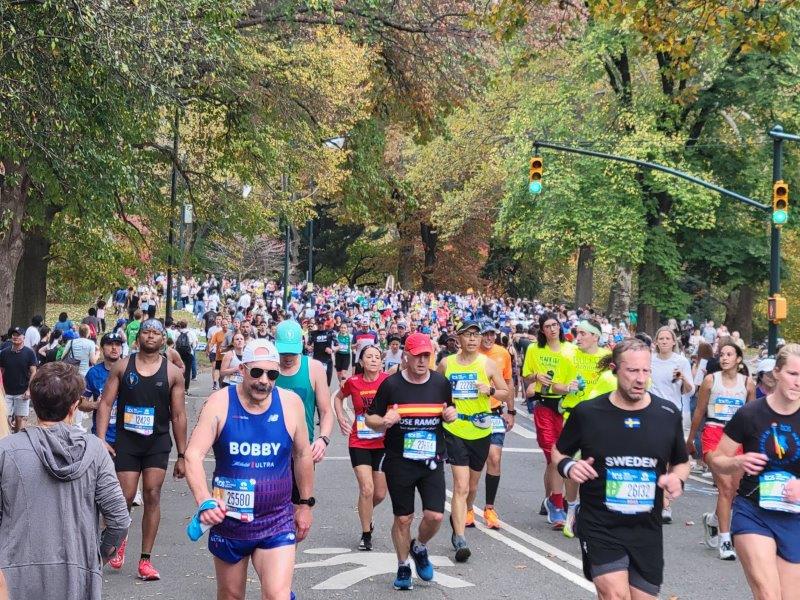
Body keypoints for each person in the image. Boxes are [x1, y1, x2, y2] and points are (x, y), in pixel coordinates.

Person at [553, 338, 690, 600]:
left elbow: (681, 462)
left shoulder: (666, 414)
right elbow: (558, 451)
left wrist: (677, 480)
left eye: (645, 371)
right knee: (616, 595)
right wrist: (569, 466)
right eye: (632, 371)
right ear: (615, 369)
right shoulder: (588, 412)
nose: (640, 379)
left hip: (646, 528)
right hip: (600, 524)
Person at [184, 340, 314, 600]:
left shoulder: (290, 404)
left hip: (276, 518)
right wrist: (204, 501)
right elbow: (193, 455)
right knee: (231, 595)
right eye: (257, 372)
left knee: (278, 595)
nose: (264, 380)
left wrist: (305, 504)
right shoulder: (220, 403)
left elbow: (302, 454)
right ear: (242, 369)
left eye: (272, 374)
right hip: (230, 518)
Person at [0, 362, 129, 600]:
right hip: (77, 572)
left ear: (35, 403)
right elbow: (119, 520)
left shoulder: (7, 451)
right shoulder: (96, 452)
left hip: (14, 576)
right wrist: (95, 555)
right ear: (74, 406)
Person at [96, 318, 188, 581]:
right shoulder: (124, 366)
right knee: (123, 497)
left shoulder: (172, 373)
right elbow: (105, 404)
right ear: (138, 338)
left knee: (152, 493)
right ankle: (117, 540)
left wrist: (182, 455)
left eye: (155, 333)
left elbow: (179, 416)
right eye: (145, 332)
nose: (150, 336)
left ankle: (145, 560)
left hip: (157, 442)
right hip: (128, 441)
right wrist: (101, 439)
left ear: (163, 339)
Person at [707, 344, 800, 600]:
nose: (798, 382)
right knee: (769, 595)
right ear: (777, 373)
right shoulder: (751, 414)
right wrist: (738, 462)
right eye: (793, 374)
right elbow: (716, 459)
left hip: (794, 517)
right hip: (754, 512)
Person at [365, 332, 457, 590]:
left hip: (431, 461)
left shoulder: (440, 383)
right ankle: (404, 565)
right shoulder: (392, 385)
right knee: (404, 518)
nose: (422, 361)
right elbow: (369, 419)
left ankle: (419, 547)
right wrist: (383, 421)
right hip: (399, 461)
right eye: (417, 356)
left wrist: (451, 414)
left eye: (426, 355)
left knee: (436, 516)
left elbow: (449, 409)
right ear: (405, 356)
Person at [437, 320, 509, 562]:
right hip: (456, 428)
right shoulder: (447, 363)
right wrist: (443, 410)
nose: (472, 339)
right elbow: (435, 389)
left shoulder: (487, 364)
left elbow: (505, 392)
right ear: (458, 338)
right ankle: (459, 537)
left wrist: (488, 391)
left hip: (481, 429)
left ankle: (463, 511)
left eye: (476, 336)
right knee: (460, 485)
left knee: (472, 486)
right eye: (468, 335)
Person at [687, 340, 755, 559]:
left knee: (734, 490)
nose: (724, 358)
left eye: (729, 354)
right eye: (721, 354)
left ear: (738, 359)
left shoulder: (747, 384)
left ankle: (713, 520)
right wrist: (690, 440)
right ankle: (726, 541)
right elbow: (699, 411)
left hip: (737, 437)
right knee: (725, 487)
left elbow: (752, 417)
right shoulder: (710, 380)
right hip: (714, 434)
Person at [522, 311, 575, 527]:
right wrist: (536, 377)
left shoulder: (571, 350)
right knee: (553, 456)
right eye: (548, 326)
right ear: (542, 330)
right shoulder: (535, 349)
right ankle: (555, 501)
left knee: (558, 457)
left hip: (566, 405)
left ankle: (553, 500)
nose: (552, 329)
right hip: (544, 404)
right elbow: (526, 378)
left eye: (555, 325)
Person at [559, 318, 611, 539]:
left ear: (595, 337)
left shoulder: (607, 358)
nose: (577, 337)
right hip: (574, 416)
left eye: (582, 333)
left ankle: (593, 513)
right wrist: (567, 387)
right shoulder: (568, 355)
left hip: (602, 419)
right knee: (573, 466)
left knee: (599, 467)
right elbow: (556, 385)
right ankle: (571, 508)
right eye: (576, 333)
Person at [334, 345, 389, 550]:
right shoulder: (353, 382)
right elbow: (338, 398)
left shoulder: (387, 381)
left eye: (377, 357)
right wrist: (341, 417)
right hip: (359, 441)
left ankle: (366, 512)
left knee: (380, 493)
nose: (374, 360)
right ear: (361, 362)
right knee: (367, 489)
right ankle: (366, 533)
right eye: (369, 356)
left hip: (383, 443)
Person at [275, 319, 334, 501]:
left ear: (301, 344)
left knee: (300, 505)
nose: (287, 357)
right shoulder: (266, 368)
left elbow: (325, 411)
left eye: (292, 351)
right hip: (269, 448)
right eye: (283, 351)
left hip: (301, 449)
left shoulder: (314, 368)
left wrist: (323, 439)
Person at [649, 325, 694, 524]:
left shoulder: (681, 361)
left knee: (667, 458)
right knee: (651, 456)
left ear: (674, 342)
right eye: (661, 338)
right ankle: (651, 499)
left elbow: (690, 390)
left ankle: (666, 503)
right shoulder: (649, 359)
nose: (664, 341)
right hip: (650, 410)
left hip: (672, 411)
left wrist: (683, 378)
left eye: (668, 338)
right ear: (656, 341)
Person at [475, 321, 515, 530]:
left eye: (492, 334)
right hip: (471, 413)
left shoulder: (503, 354)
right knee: (474, 462)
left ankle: (489, 508)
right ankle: (466, 507)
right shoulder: (472, 354)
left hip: (494, 411)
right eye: (485, 334)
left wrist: (511, 411)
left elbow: (508, 384)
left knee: (494, 457)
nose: (488, 338)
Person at [80, 332, 125, 449]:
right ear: (102, 348)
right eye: (110, 344)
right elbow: (81, 404)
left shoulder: (130, 370)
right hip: (102, 436)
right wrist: (96, 405)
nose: (114, 347)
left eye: (118, 344)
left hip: (127, 436)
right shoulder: (93, 373)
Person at [0, 326, 38, 432]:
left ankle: (16, 438)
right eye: (13, 335)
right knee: (4, 417)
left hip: (22, 392)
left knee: (19, 418)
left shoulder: (29, 353)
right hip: (6, 392)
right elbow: (1, 372)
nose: (15, 337)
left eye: (18, 335)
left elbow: (33, 372)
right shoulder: (4, 353)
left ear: (24, 337)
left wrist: (29, 390)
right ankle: (6, 437)